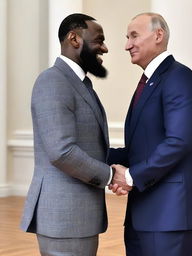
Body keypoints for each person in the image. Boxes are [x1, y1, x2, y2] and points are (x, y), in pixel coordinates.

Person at [108, 13, 192, 256]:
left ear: (158, 35)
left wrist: (131, 176)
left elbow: (178, 142)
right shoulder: (149, 81)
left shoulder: (179, 77)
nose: (127, 45)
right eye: (127, 37)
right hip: (143, 214)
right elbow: (142, 148)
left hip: (170, 214)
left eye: (134, 36)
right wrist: (94, 154)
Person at [20, 13, 114, 256]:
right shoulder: (52, 81)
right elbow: (62, 152)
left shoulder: (80, 83)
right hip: (64, 217)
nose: (104, 47)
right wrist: (111, 175)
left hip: (78, 216)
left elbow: (91, 143)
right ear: (74, 38)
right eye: (98, 40)